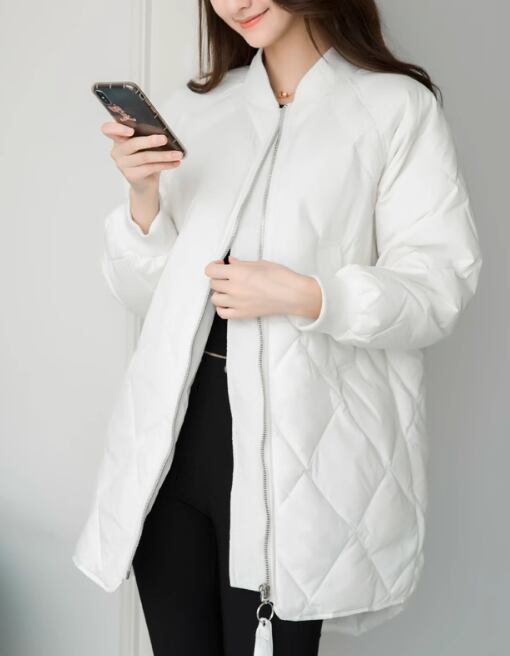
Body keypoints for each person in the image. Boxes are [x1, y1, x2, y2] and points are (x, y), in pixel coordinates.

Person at [72, 2, 483, 655]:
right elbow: (148, 297)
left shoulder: (396, 109)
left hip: (297, 458)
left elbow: (439, 286)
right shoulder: (201, 108)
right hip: (170, 447)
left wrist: (308, 295)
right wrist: (143, 198)